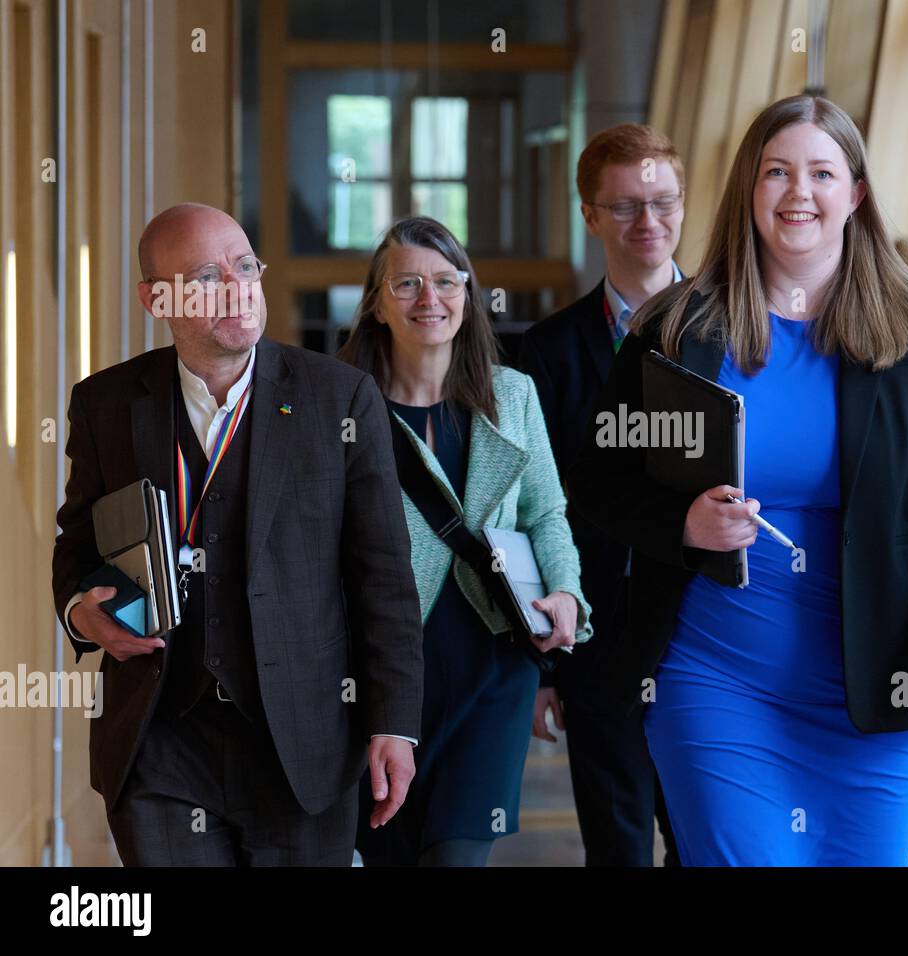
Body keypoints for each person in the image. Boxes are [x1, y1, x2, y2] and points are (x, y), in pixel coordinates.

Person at [566, 95, 908, 866]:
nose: (799, 193)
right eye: (777, 173)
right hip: (715, 682)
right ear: (748, 190)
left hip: (877, 692)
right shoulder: (676, 328)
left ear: (856, 193)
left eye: (822, 173)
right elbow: (596, 478)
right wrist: (682, 525)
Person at [51, 202, 423, 866]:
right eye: (203, 276)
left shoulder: (340, 400)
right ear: (154, 297)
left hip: (303, 744)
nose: (237, 286)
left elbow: (384, 579)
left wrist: (394, 722)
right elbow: (76, 545)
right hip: (160, 744)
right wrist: (83, 612)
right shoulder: (105, 404)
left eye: (244, 265)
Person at [338, 216, 592, 867]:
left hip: (491, 673)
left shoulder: (513, 396)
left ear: (469, 292)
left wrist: (565, 590)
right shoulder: (339, 409)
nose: (431, 298)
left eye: (447, 281)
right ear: (375, 301)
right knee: (387, 852)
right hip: (381, 679)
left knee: (456, 857)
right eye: (409, 283)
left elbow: (547, 515)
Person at [517, 123, 684, 866]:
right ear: (589, 215)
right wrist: (544, 669)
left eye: (661, 202)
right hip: (598, 642)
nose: (647, 223)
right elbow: (529, 509)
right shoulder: (545, 354)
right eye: (624, 207)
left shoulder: (741, 331)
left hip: (710, 628)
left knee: (712, 842)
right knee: (616, 849)